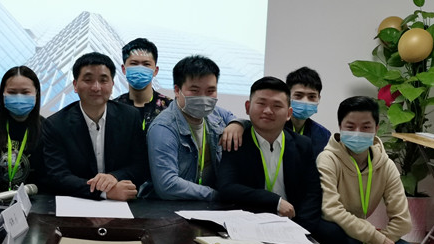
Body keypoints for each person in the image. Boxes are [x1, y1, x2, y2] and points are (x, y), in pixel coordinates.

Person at [317, 96, 420, 244]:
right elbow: (330, 210)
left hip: (361, 235)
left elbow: (402, 221)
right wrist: (376, 238)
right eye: (350, 127)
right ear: (340, 127)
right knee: (347, 242)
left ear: (376, 129)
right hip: (334, 231)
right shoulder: (328, 159)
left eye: (366, 127)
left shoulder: (386, 165)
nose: (358, 133)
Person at [217, 77, 322, 232]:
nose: (268, 111)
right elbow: (227, 188)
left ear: (288, 113)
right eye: (261, 104)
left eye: (277, 106)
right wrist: (275, 201)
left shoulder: (303, 144)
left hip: (293, 222)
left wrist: (302, 229)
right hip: (249, 222)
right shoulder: (237, 140)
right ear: (248, 107)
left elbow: (312, 192)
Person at [43, 52, 148, 201]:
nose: (96, 87)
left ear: (112, 85)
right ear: (75, 85)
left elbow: (141, 165)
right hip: (76, 203)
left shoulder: (130, 117)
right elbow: (57, 176)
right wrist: (104, 192)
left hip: (122, 202)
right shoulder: (55, 124)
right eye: (88, 80)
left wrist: (114, 177)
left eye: (103, 80)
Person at [144, 55, 246, 201]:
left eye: (210, 91)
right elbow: (167, 185)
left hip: (209, 206)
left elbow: (237, 119)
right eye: (195, 91)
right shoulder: (163, 128)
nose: (203, 98)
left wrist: (237, 124)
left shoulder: (216, 114)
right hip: (174, 207)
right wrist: (217, 196)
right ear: (177, 90)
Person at [0, 66, 47, 191]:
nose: (19, 97)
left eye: (25, 92)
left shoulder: (47, 130)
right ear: (3, 94)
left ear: (36, 94)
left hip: (35, 198)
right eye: (12, 92)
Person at [113, 38, 172, 132]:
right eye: (134, 64)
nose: (140, 68)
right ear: (124, 69)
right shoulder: (112, 109)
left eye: (146, 64)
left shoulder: (170, 109)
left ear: (155, 71)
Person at [285, 66, 331, 157]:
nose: (305, 101)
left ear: (319, 98)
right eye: (298, 95)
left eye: (312, 96)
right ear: (287, 96)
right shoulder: (274, 129)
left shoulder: (324, 135)